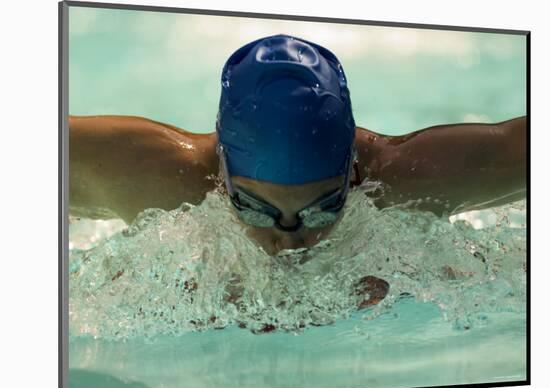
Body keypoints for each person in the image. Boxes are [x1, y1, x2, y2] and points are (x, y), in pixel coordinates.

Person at [68, 33, 527, 257]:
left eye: (323, 209)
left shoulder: (409, 182)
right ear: (221, 171)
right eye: (253, 208)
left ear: (352, 173)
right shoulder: (154, 178)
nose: (289, 245)